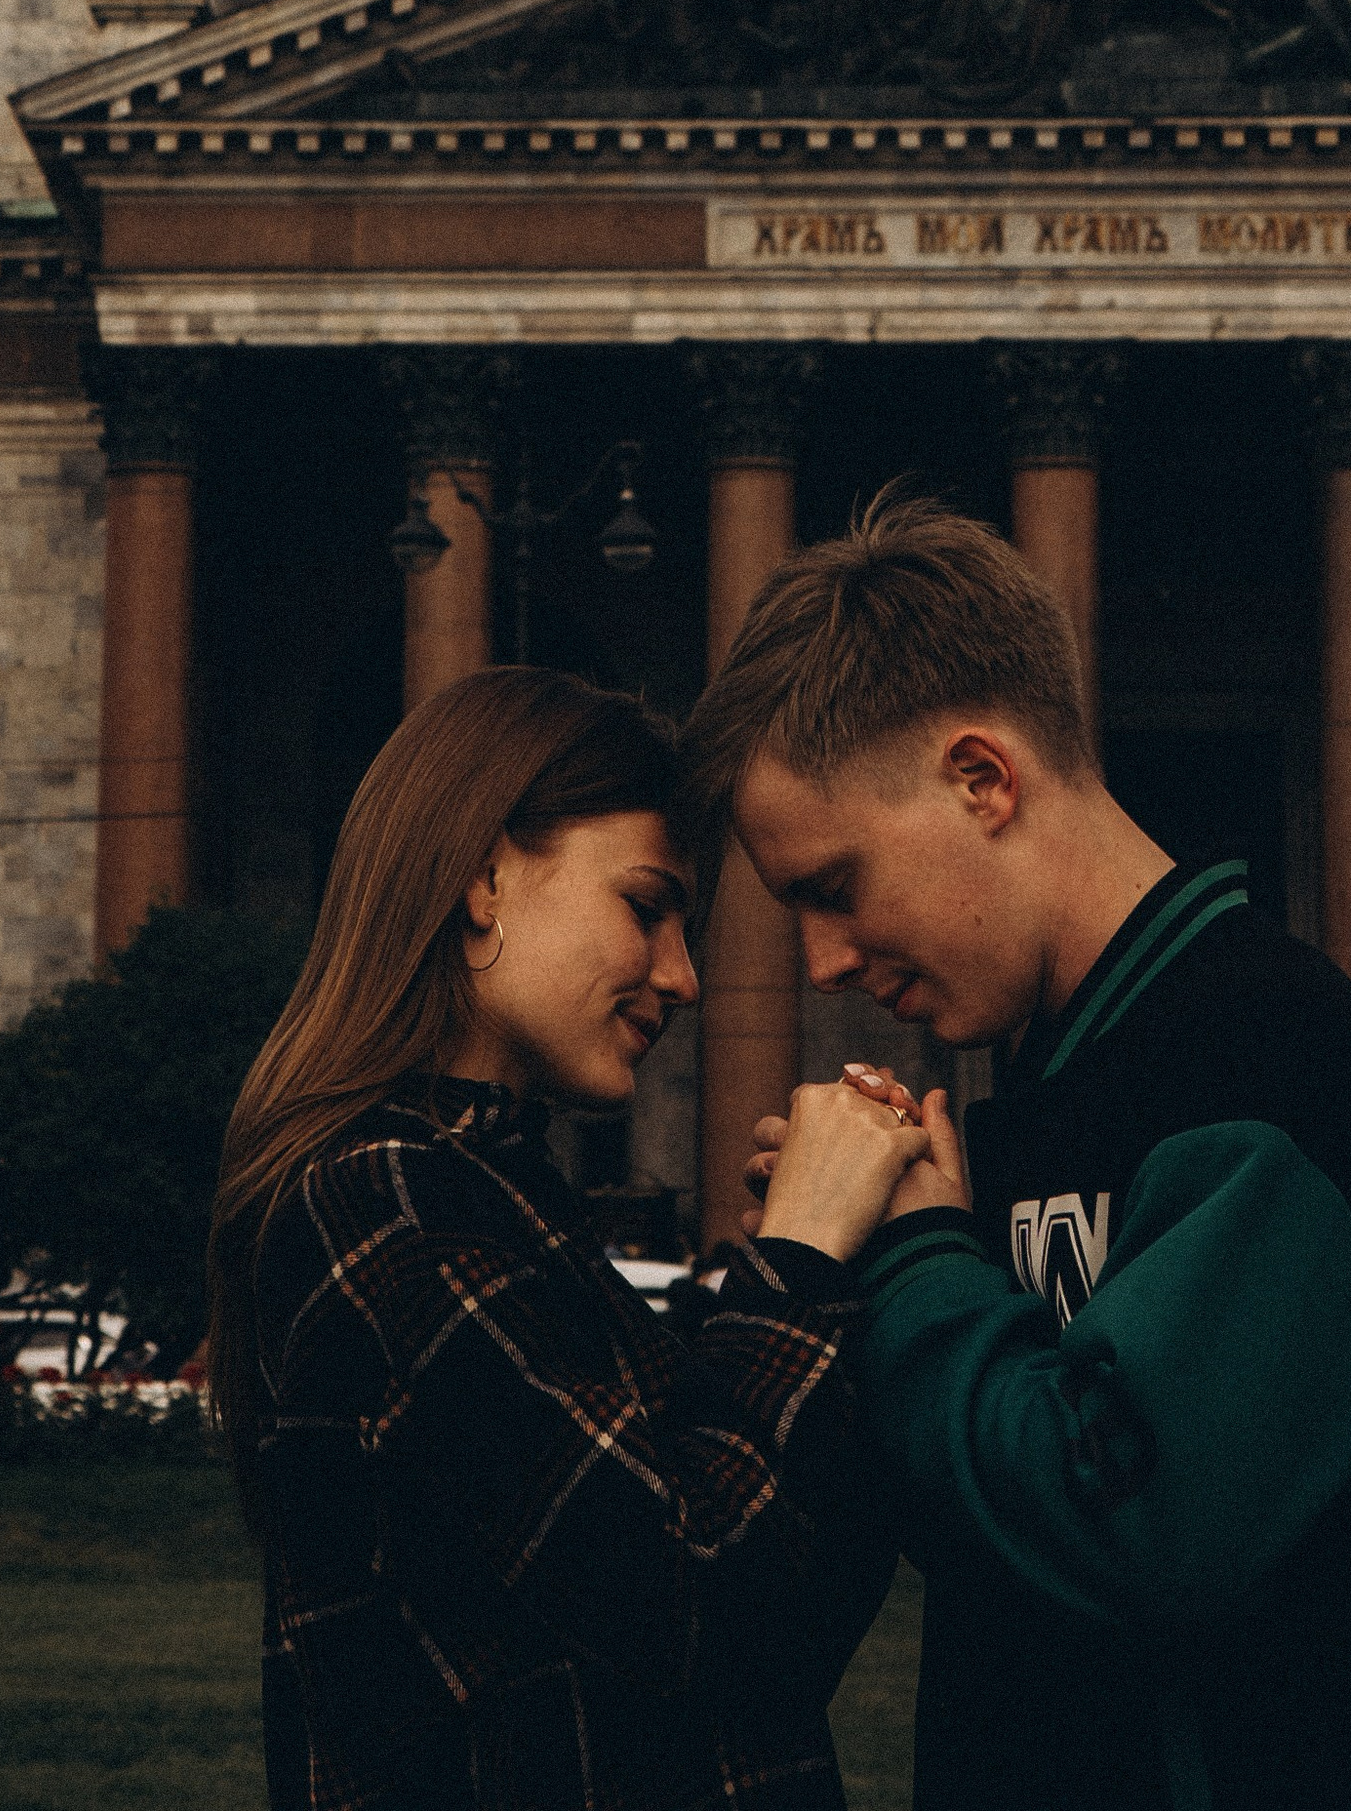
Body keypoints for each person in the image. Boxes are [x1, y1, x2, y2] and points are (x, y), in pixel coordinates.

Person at [684, 491, 1351, 1811]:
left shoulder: (1263, 1058)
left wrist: (917, 1263)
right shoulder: (1059, 1071)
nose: (821, 963)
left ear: (982, 780)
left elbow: (1132, 1526)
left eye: (833, 888)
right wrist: (838, 1280)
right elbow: (983, 1526)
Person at [208, 665, 906, 1811]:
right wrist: (795, 1265)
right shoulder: (388, 1201)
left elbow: (774, 1635)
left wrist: (849, 1277)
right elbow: (691, 1591)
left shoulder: (485, 1195)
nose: (683, 977)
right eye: (646, 906)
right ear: (484, 878)